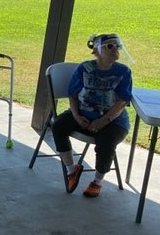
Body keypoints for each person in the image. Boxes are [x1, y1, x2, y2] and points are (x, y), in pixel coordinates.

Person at [52, 33, 133, 198]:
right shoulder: (85, 68)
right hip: (83, 114)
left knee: (106, 142)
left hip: (113, 120)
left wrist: (104, 120)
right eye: (109, 46)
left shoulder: (123, 71)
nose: (114, 49)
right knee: (58, 125)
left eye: (116, 46)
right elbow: (73, 94)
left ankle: (97, 181)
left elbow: (122, 101)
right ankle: (71, 170)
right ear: (96, 51)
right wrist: (75, 116)